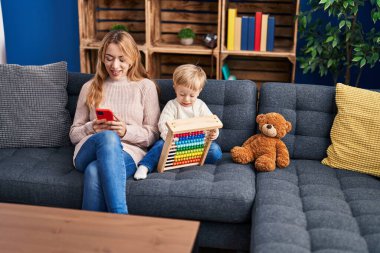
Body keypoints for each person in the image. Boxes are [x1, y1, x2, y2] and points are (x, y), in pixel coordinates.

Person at [69, 30, 160, 214]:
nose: (115, 65)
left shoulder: (145, 87)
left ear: (133, 58)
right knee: (108, 137)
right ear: (102, 58)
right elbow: (73, 134)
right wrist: (91, 127)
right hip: (88, 149)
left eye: (121, 59)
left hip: (130, 153)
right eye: (109, 58)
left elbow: (153, 134)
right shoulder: (90, 87)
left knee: (94, 171)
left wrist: (126, 131)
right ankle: (121, 217)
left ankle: (89, 233)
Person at [134, 64, 222, 180]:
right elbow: (163, 124)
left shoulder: (200, 105)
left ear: (199, 92)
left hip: (196, 146)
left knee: (215, 151)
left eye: (192, 95)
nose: (186, 99)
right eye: (182, 94)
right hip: (174, 145)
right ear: (175, 87)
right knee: (160, 145)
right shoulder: (172, 105)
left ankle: (191, 160)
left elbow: (211, 122)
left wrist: (214, 132)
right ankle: (145, 166)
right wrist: (170, 139)